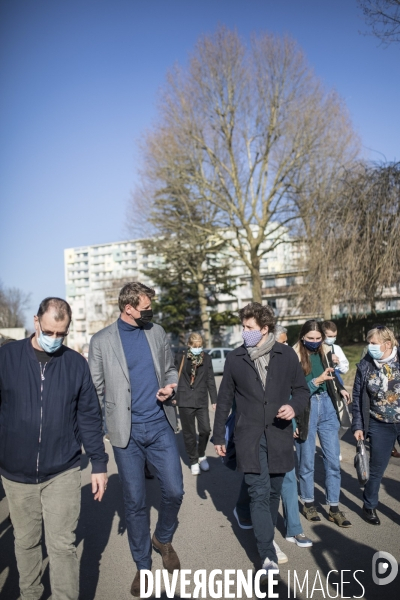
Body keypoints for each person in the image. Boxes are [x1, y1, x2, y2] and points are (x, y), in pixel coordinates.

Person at [0, 297, 108, 600]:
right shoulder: (6, 358)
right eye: (49, 332)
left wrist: (99, 463)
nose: (55, 339)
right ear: (36, 322)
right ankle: (31, 594)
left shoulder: (75, 364)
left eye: (62, 333)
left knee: (62, 545)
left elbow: (89, 416)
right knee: (25, 541)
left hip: (62, 469)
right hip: (15, 473)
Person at [89, 282, 183, 597]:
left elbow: (170, 370)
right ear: (128, 308)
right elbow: (95, 392)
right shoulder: (101, 341)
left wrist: (170, 387)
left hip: (159, 425)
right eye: (145, 308)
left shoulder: (156, 332)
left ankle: (163, 537)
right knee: (135, 503)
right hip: (125, 435)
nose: (150, 312)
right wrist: (104, 428)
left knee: (175, 490)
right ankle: (143, 568)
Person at [213, 303, 309, 582]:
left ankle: (263, 533)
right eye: (243, 327)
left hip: (279, 434)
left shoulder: (286, 355)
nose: (244, 332)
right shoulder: (235, 358)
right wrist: (219, 436)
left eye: (249, 328)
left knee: (272, 492)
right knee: (258, 490)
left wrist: (293, 407)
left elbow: (301, 391)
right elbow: (223, 401)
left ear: (264, 329)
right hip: (249, 436)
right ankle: (266, 552)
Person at [293, 320, 352, 528]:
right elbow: (292, 391)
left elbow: (331, 375)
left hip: (327, 406)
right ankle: (309, 503)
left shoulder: (325, 351)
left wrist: (339, 387)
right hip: (306, 407)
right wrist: (315, 382)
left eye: (319, 338)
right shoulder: (294, 356)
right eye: (311, 339)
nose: (315, 342)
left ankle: (334, 508)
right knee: (307, 461)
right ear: (303, 337)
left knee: (333, 461)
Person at [352, 325, 400, 525]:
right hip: (379, 424)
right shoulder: (365, 365)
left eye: (373, 343)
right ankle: (369, 505)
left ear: (387, 344)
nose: (369, 347)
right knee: (376, 469)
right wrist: (358, 426)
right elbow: (357, 398)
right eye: (368, 342)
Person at [175, 332, 217, 475]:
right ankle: (193, 460)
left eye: (200, 346)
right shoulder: (181, 357)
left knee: (205, 430)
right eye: (195, 346)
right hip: (184, 398)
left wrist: (214, 400)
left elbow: (211, 379)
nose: (198, 349)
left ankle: (201, 454)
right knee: (189, 433)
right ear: (189, 345)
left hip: (201, 399)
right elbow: (173, 375)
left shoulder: (207, 358)